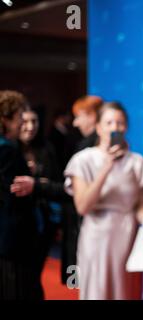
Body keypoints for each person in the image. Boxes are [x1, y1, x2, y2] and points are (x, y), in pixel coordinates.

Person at [64, 101, 143, 300]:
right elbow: (82, 206)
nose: (115, 127)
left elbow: (139, 206)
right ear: (98, 127)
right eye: (109, 123)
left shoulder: (137, 162)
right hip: (97, 237)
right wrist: (106, 168)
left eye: (120, 123)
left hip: (128, 237)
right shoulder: (83, 160)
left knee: (126, 292)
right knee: (97, 292)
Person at [10, 108, 71, 280]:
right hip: (15, 225)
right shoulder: (9, 149)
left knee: (34, 276)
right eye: (25, 121)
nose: (30, 127)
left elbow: (60, 185)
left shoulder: (46, 148)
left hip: (43, 223)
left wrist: (39, 185)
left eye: (34, 121)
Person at [0, 90, 42, 300]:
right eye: (18, 118)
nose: (22, 124)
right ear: (5, 120)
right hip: (13, 242)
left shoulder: (10, 148)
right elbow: (12, 196)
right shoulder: (7, 151)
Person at [60, 95, 103, 284]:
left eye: (79, 116)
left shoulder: (86, 150)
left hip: (92, 225)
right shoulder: (84, 148)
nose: (76, 123)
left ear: (93, 116)